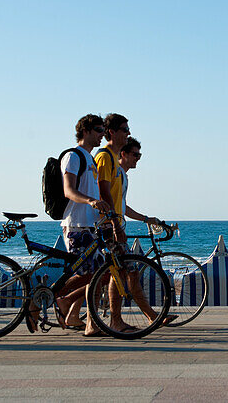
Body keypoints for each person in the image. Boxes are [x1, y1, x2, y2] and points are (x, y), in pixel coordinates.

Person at [97, 131, 173, 330]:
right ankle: (124, 319)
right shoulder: (115, 172)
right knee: (120, 273)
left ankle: (150, 316)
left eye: (139, 155)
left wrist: (145, 219)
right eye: (135, 155)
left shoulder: (122, 176)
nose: (138, 159)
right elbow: (109, 200)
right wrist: (114, 224)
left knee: (123, 273)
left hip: (116, 226)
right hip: (110, 227)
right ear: (123, 154)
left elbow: (123, 205)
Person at [54, 114, 111, 336]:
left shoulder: (90, 159)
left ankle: (72, 312)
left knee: (99, 275)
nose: (102, 135)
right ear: (85, 131)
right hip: (77, 225)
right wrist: (91, 201)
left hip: (91, 225)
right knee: (91, 275)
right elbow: (68, 190)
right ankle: (58, 299)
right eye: (98, 130)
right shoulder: (73, 156)